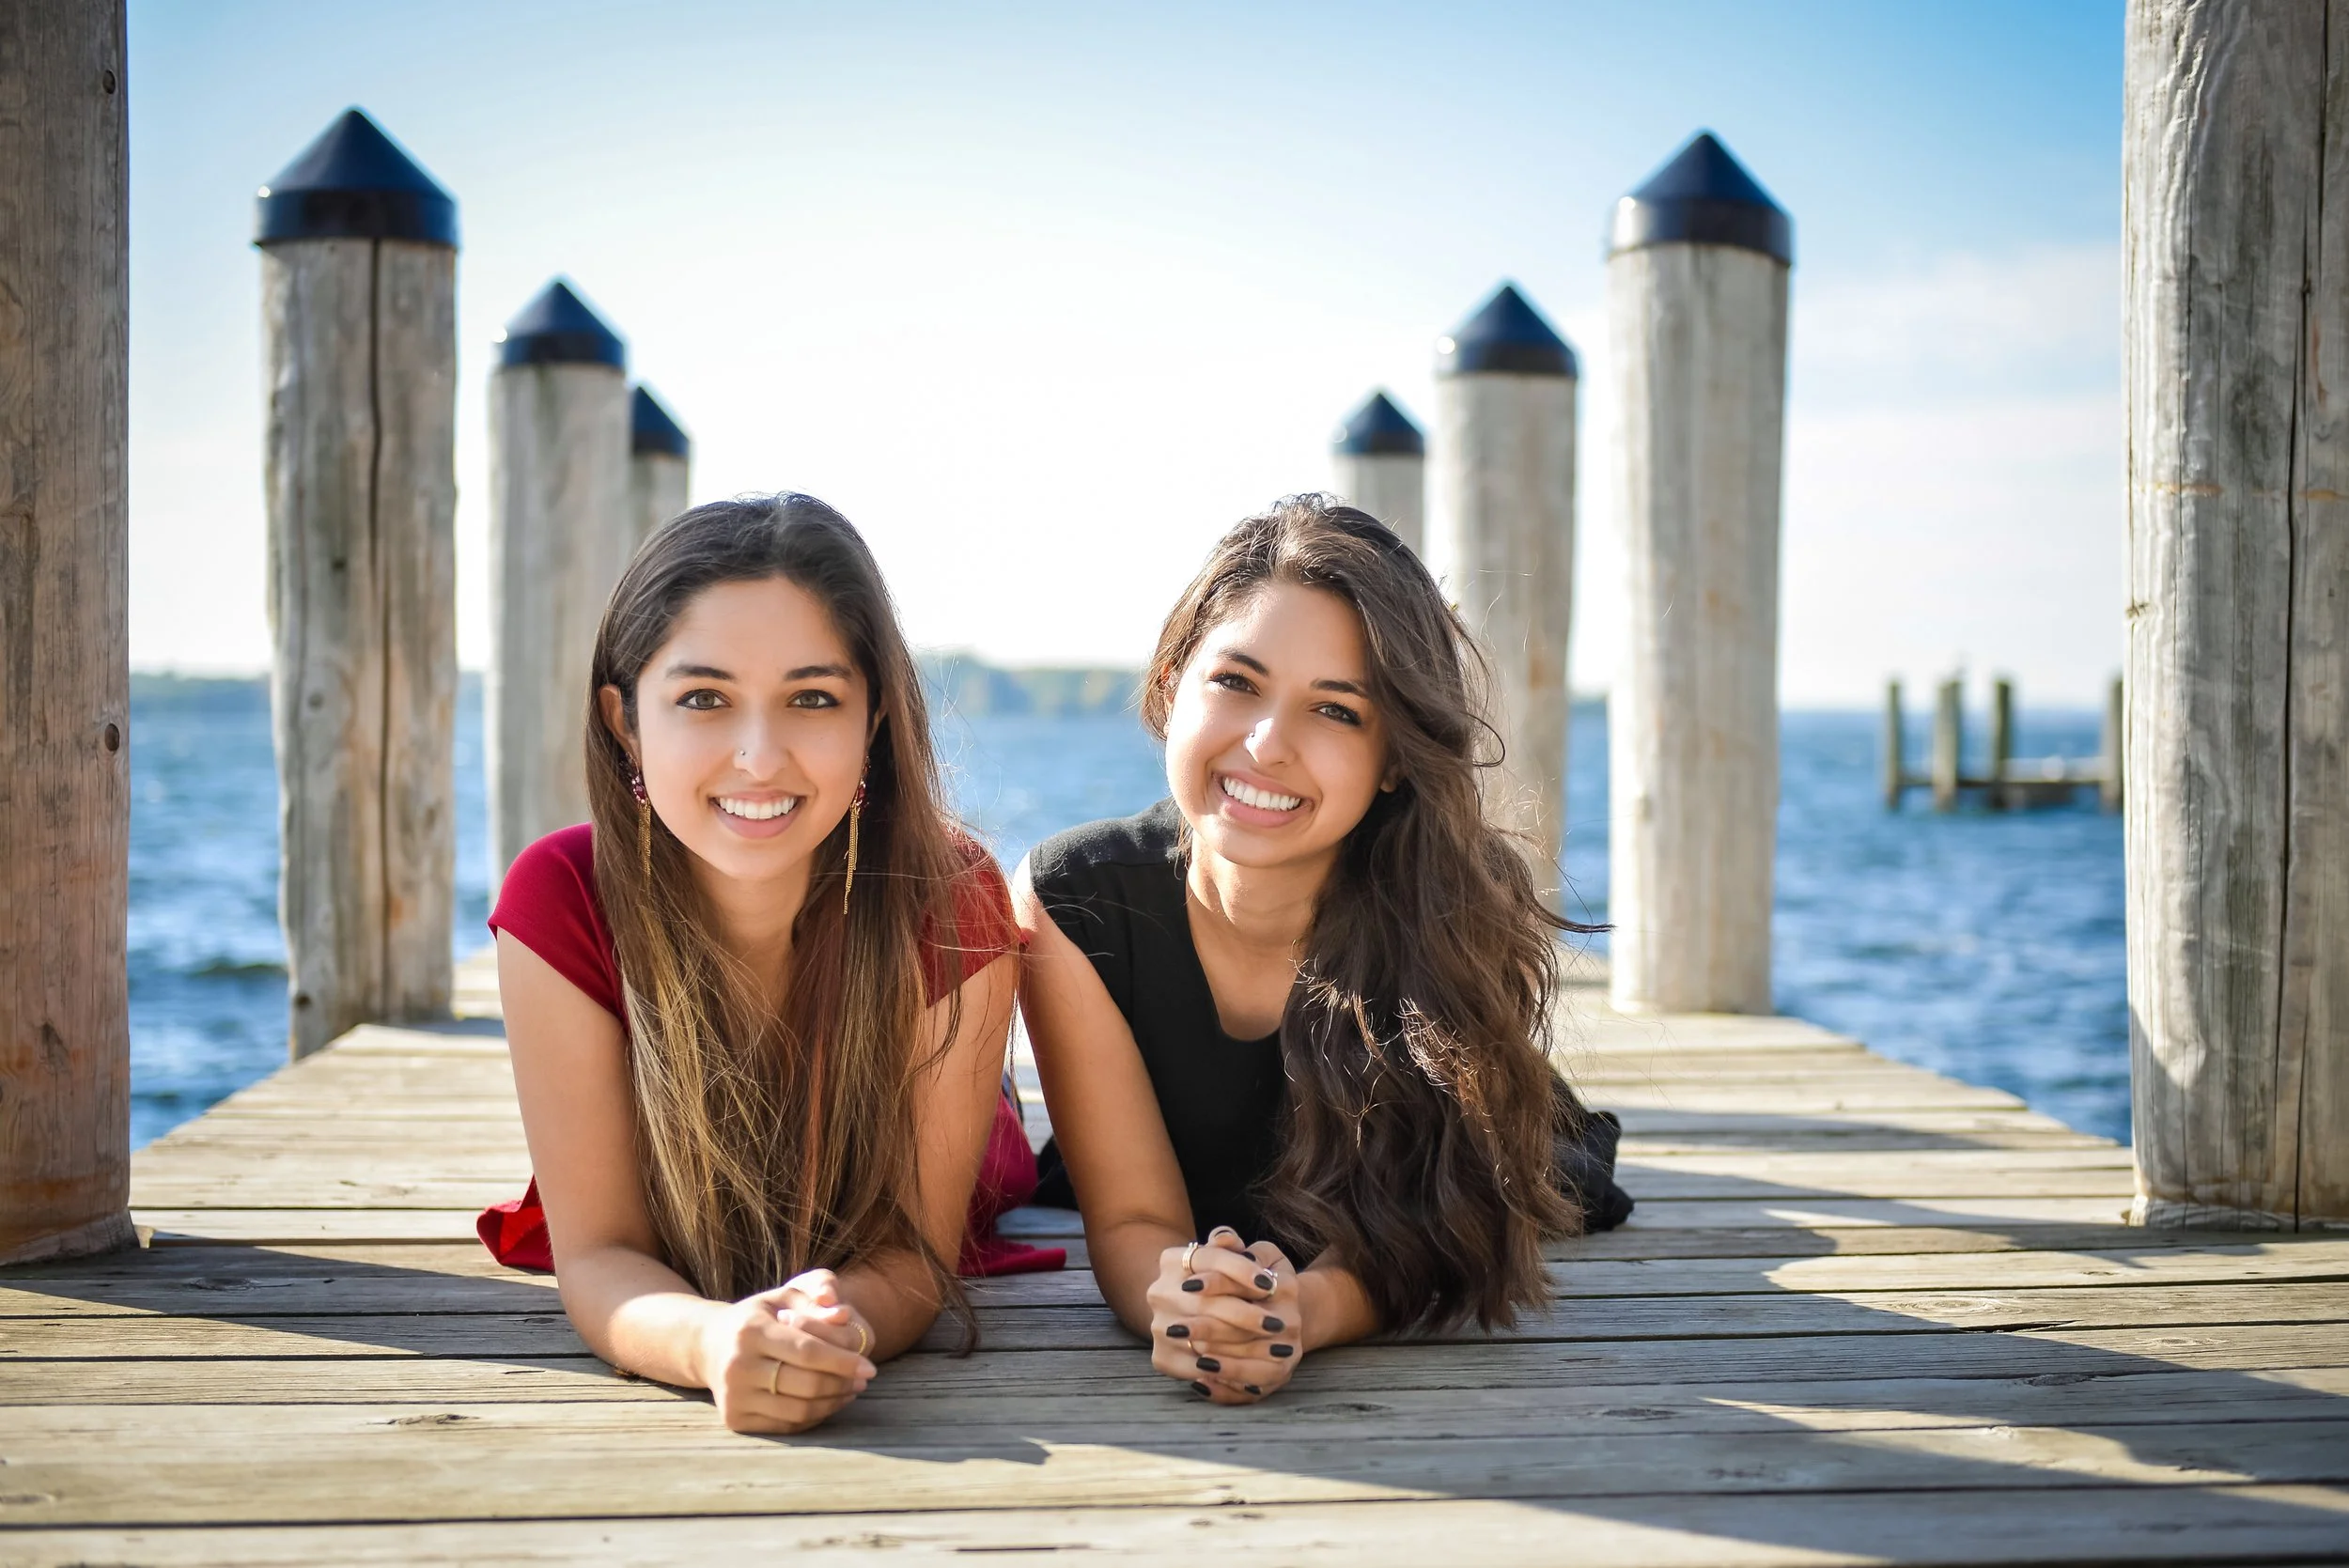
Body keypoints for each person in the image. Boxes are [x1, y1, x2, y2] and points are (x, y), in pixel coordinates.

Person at [1016, 493, 1630, 1405]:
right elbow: (1135, 1217)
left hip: (1414, 1187)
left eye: (1336, 711)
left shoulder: (1449, 905)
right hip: (1180, 1188)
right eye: (1236, 682)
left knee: (1529, 1173)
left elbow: (1428, 1232)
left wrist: (1293, 1315)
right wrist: (1185, 1309)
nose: (1267, 744)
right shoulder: (1075, 898)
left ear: (1392, 756)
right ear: (1171, 682)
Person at [479, 494, 1059, 1436]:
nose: (758, 756)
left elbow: (911, 1257)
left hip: (939, 1166)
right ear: (624, 722)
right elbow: (600, 1255)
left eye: (812, 698)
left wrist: (834, 1331)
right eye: (703, 699)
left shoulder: (948, 895)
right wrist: (711, 1344)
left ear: (873, 718)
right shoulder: (563, 895)